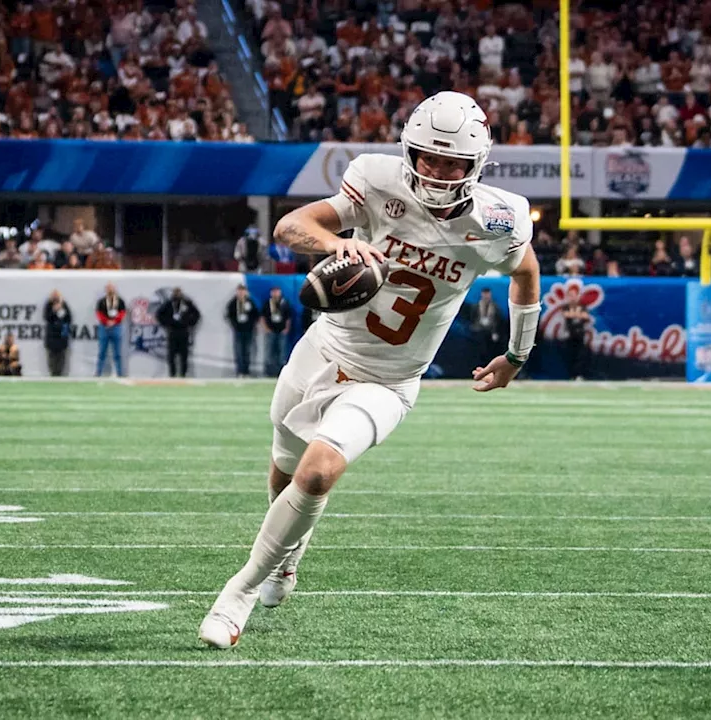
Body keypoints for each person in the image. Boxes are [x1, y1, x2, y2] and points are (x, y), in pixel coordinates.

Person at [199, 91, 542, 649]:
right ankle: (286, 561)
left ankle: (237, 593)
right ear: (408, 151)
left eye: (451, 161)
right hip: (323, 351)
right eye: (427, 157)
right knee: (285, 469)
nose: (436, 171)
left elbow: (524, 276)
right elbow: (291, 225)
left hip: (390, 378)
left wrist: (517, 354)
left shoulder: (499, 219)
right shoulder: (377, 182)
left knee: (316, 474)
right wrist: (339, 244)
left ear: (475, 166)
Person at [155, 287, 202, 378]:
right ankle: (172, 375)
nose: (177, 295)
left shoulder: (187, 303)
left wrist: (189, 323)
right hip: (172, 332)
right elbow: (159, 315)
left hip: (184, 332)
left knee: (184, 356)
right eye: (176, 293)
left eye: (179, 293)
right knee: (171, 356)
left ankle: (183, 375)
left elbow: (197, 314)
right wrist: (168, 323)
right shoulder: (168, 304)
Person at [226, 284, 259, 378]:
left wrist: (252, 325)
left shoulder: (250, 302)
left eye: (242, 291)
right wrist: (234, 325)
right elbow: (229, 315)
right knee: (239, 351)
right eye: (239, 291)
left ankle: (246, 371)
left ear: (245, 292)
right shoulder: (233, 303)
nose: (241, 293)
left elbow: (255, 314)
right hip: (238, 330)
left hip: (248, 330)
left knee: (247, 351)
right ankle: (239, 371)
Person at [95, 283, 126, 377]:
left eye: (112, 288)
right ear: (106, 290)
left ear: (115, 289)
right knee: (101, 352)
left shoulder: (120, 301)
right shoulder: (102, 301)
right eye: (108, 288)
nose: (110, 290)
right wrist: (107, 321)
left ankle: (120, 374)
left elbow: (122, 313)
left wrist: (114, 321)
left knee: (117, 353)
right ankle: (98, 373)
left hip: (116, 327)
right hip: (104, 328)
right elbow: (98, 314)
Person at [261, 286, 292, 377]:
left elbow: (288, 317)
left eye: (277, 291)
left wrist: (286, 328)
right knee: (269, 352)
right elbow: (263, 316)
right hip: (270, 330)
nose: (275, 293)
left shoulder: (284, 303)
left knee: (281, 352)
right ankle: (269, 372)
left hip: (281, 331)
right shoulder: (267, 303)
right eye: (273, 292)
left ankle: (281, 372)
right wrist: (266, 328)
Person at [562, 284, 591, 380]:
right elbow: (567, 315)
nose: (573, 298)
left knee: (580, 356)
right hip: (570, 335)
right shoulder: (565, 306)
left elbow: (586, 316)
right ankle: (570, 375)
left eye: (574, 295)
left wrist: (575, 314)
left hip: (580, 334)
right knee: (570, 356)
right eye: (570, 295)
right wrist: (577, 314)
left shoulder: (583, 306)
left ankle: (579, 375)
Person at [470, 287, 503, 367]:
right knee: (479, 350)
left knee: (490, 350)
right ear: (482, 294)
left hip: (490, 332)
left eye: (488, 294)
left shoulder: (495, 307)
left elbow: (498, 320)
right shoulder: (476, 306)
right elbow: (472, 318)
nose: (486, 296)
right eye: (485, 294)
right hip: (478, 332)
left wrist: (495, 332)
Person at [44, 290, 73, 376]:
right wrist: (53, 310)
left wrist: (61, 309)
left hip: (61, 335)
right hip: (51, 335)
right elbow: (46, 317)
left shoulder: (64, 305)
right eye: (54, 296)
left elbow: (69, 318)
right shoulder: (48, 305)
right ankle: (53, 372)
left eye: (57, 295)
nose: (55, 297)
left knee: (61, 356)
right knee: (52, 356)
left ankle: (60, 373)